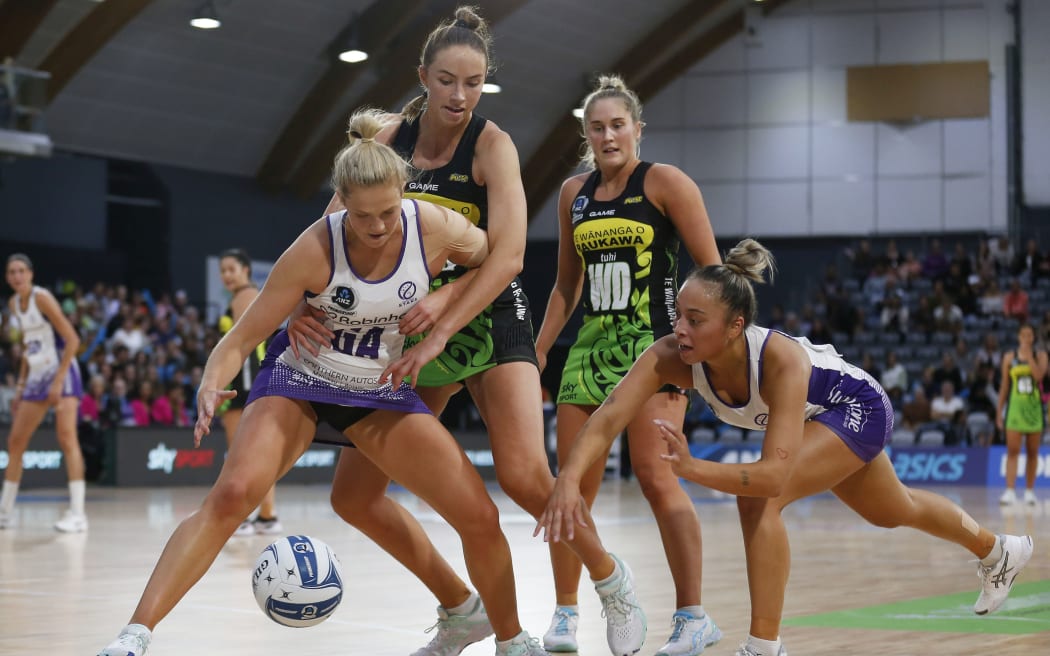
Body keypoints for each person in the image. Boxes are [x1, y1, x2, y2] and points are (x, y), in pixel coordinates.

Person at [97, 109, 553, 656]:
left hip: (377, 389)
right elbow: (239, 339)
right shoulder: (315, 247)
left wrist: (441, 298)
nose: (380, 225)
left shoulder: (431, 226)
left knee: (479, 515)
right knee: (233, 495)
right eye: (364, 217)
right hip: (302, 378)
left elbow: (497, 261)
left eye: (388, 211)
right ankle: (133, 636)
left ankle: (507, 637)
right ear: (342, 205)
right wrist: (210, 382)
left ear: (404, 195)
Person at [287, 8, 645, 656]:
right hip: (417, 329)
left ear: (485, 84)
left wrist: (445, 323)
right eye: (447, 81)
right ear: (423, 76)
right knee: (354, 496)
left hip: (487, 313)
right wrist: (295, 302)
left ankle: (612, 581)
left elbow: (508, 255)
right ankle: (460, 608)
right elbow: (327, 233)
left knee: (526, 479)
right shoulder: (388, 141)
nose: (459, 97)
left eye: (473, 83)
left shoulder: (492, 144)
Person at [537, 239, 1034, 656]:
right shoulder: (669, 356)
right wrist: (566, 480)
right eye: (678, 316)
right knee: (892, 508)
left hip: (854, 407)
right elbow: (605, 422)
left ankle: (764, 645)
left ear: (735, 327)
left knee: (760, 497)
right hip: (822, 419)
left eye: (695, 319)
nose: (680, 329)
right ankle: (999, 550)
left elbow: (772, 478)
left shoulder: (780, 362)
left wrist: (690, 467)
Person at [534, 74, 722, 655]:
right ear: (586, 134)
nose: (608, 135)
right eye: (597, 127)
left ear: (638, 129)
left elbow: (715, 275)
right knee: (570, 486)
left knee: (655, 475)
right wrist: (536, 352)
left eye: (618, 125)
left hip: (656, 350)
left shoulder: (665, 182)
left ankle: (693, 616)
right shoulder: (573, 193)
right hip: (589, 351)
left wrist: (703, 350)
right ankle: (566, 613)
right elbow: (567, 286)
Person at [0, 254, 87, 532]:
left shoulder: (42, 298)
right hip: (37, 374)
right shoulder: (14, 305)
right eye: (12, 272)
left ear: (31, 274)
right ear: (7, 277)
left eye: (21, 271)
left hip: (62, 369)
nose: (17, 276)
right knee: (16, 441)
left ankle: (77, 514)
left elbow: (72, 339)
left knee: (66, 437)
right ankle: (5, 512)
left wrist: (58, 381)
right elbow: (29, 346)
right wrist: (22, 386)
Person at [216, 247, 282, 537]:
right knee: (256, 452)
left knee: (240, 453)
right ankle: (266, 515)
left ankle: (242, 517)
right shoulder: (251, 295)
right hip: (253, 378)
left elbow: (241, 343)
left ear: (245, 269)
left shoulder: (244, 297)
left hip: (243, 381)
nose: (226, 276)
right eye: (222, 271)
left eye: (231, 269)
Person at [995, 323, 1047, 506]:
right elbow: (1004, 386)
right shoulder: (1009, 357)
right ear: (1018, 337)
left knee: (1033, 452)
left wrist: (1028, 356)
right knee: (1012, 451)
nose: (1026, 338)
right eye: (1023, 335)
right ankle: (1009, 491)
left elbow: (1039, 376)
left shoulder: (1040, 355)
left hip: (1034, 410)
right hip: (1015, 410)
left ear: (1033, 338)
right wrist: (999, 412)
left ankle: (1029, 491)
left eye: (1029, 335)